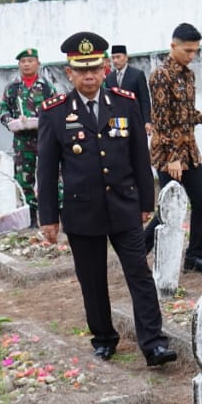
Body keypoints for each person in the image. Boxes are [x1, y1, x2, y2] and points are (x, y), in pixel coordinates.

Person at [38, 31, 174, 368]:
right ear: (69, 73)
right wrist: (48, 217)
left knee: (139, 275)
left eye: (95, 69)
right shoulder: (55, 112)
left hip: (124, 206)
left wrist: (146, 201)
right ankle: (103, 338)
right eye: (81, 70)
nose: (89, 76)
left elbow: (139, 158)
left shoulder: (125, 102)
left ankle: (154, 343)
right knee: (92, 280)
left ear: (104, 70)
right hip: (82, 211)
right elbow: (46, 168)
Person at [146, 22, 202, 273]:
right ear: (173, 46)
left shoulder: (188, 75)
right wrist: (172, 158)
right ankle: (137, 255)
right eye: (188, 51)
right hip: (169, 154)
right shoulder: (160, 76)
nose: (192, 56)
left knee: (201, 201)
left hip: (189, 150)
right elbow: (161, 120)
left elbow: (185, 112)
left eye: (195, 51)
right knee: (170, 208)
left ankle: (194, 257)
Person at [0, 47, 56, 226]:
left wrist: (43, 120)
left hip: (45, 137)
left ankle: (57, 214)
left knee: (52, 175)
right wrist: (12, 121)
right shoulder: (12, 88)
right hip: (22, 140)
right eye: (23, 62)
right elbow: (3, 112)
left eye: (30, 61)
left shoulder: (46, 86)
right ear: (19, 65)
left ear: (37, 63)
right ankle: (30, 217)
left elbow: (56, 108)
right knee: (25, 178)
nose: (26, 64)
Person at [104, 45, 152, 135]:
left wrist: (147, 121)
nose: (115, 61)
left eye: (118, 57)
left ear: (126, 57)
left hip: (135, 119)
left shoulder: (137, 75)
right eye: (113, 58)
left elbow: (144, 99)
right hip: (116, 122)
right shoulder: (109, 78)